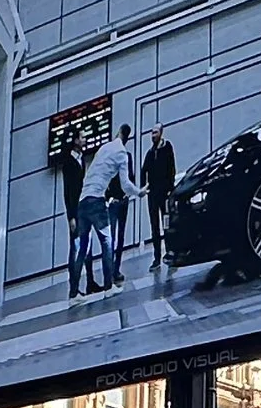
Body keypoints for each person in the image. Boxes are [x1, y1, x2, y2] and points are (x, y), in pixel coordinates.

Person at [82, 123, 139, 292]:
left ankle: (114, 271)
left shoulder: (119, 156)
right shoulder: (122, 156)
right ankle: (111, 272)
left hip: (119, 200)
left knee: (116, 237)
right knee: (113, 237)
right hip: (117, 201)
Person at [50, 130, 91, 296]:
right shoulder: (69, 161)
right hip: (75, 211)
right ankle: (73, 288)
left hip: (84, 207)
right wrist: (71, 216)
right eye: (82, 137)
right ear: (75, 141)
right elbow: (67, 192)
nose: (85, 139)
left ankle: (90, 281)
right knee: (75, 248)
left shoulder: (81, 159)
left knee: (86, 246)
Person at [141, 125, 176, 274]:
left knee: (166, 224)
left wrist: (170, 187)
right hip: (153, 196)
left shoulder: (167, 148)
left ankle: (170, 252)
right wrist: (145, 188)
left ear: (161, 133)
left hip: (164, 194)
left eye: (155, 132)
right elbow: (144, 171)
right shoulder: (150, 153)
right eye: (151, 133)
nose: (152, 135)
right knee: (154, 226)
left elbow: (171, 168)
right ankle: (156, 257)